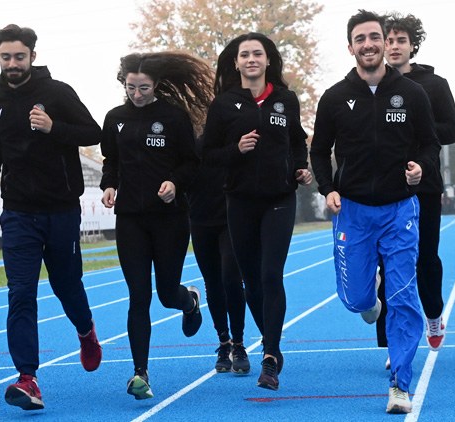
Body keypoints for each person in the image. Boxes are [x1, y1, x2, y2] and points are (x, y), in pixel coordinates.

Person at [309, 10, 441, 414]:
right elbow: (317, 150)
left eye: (374, 37)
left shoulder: (412, 93)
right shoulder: (334, 97)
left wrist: (421, 166)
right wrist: (328, 188)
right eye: (360, 39)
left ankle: (400, 383)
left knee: (404, 297)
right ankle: (369, 303)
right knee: (358, 299)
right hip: (354, 213)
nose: (368, 44)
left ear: (385, 43)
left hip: (400, 209)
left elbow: (429, 144)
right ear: (350, 47)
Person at [0, 24, 102, 411]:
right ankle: (27, 378)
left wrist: (53, 127)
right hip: (17, 212)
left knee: (66, 285)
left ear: (32, 55)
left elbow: (92, 132)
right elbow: (1, 141)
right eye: (5, 57)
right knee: (21, 293)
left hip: (61, 208)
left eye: (19, 56)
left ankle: (86, 331)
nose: (12, 64)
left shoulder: (57, 92)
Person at [202, 32, 313, 391]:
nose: (251, 59)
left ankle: (270, 354)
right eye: (244, 54)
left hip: (279, 198)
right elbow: (209, 156)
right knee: (251, 281)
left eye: (257, 54)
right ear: (236, 63)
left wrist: (301, 166)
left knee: (270, 275)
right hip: (240, 201)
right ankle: (272, 343)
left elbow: (297, 140)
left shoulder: (285, 100)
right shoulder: (223, 105)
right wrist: (236, 149)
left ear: (268, 61)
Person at [99, 51, 211, 400]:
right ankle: (140, 372)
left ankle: (188, 301)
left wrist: (175, 183)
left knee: (165, 294)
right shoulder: (115, 118)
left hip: (169, 218)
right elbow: (110, 161)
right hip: (130, 218)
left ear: (156, 85)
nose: (137, 93)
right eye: (131, 87)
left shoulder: (173, 118)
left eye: (144, 87)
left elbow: (192, 164)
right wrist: (109, 184)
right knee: (138, 297)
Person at [374, 12, 455, 367]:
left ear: (412, 45)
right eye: (389, 40)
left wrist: (418, 131)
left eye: (400, 41)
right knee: (388, 263)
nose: (393, 47)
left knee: (425, 256)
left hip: (423, 185)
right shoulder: (371, 84)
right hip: (381, 188)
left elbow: (452, 129)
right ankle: (394, 344)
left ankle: (433, 315)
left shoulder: (434, 84)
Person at [187, 134, 250, 375]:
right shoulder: (192, 142)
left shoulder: (236, 139)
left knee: (231, 279)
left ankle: (239, 343)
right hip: (200, 219)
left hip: (229, 218)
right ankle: (224, 343)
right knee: (212, 283)